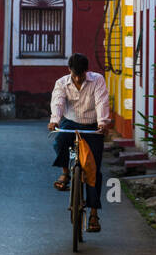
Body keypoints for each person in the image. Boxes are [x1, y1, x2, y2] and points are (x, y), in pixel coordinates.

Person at [48, 53, 112, 233]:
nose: (77, 78)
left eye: (81, 75)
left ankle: (93, 214)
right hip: (70, 122)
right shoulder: (61, 83)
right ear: (69, 70)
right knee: (60, 140)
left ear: (86, 71)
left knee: (93, 170)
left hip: (92, 125)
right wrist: (55, 120)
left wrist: (102, 122)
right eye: (74, 74)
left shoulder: (97, 80)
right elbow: (58, 103)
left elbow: (101, 102)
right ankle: (65, 173)